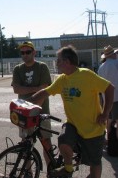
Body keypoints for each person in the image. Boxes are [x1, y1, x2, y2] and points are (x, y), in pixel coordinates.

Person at [29, 45, 114, 178]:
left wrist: (105, 113)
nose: (56, 63)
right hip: (72, 124)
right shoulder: (62, 79)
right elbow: (45, 92)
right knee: (63, 140)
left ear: (67, 62)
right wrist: (27, 102)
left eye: (58, 60)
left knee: (94, 164)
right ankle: (68, 169)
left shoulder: (86, 75)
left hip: (93, 128)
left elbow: (110, 88)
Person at [11, 41, 53, 165]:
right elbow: (16, 89)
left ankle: (51, 171)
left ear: (34, 52)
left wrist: (28, 89)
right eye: (22, 52)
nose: (25, 55)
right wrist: (36, 88)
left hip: (42, 112)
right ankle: (28, 172)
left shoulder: (42, 67)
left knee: (46, 143)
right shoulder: (17, 69)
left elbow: (45, 87)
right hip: (24, 113)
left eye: (28, 52)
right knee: (26, 144)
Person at [98, 45, 118, 140]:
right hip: (117, 98)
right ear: (113, 54)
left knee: (108, 120)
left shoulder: (101, 67)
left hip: (106, 99)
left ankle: (110, 141)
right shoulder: (116, 63)